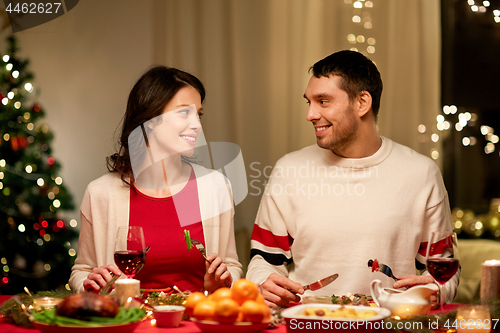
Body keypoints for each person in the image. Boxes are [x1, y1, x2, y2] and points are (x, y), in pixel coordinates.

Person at [246, 50, 459, 308]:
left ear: (362, 103)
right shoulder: (288, 169)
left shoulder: (421, 173)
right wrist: (263, 283)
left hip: (391, 325)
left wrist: (436, 290)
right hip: (311, 323)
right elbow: (264, 260)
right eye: (309, 102)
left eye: (323, 101)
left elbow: (445, 270)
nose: (310, 114)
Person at [69, 66, 242, 293]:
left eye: (198, 114)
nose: (197, 125)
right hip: (129, 323)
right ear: (150, 119)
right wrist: (89, 282)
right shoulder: (101, 193)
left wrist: (224, 281)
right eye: (184, 112)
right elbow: (81, 270)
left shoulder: (216, 187)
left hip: (195, 323)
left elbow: (232, 266)